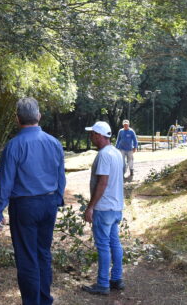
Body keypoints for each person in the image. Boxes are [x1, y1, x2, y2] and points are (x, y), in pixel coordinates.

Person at [0, 97, 66, 305]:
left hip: (24, 206)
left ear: (17, 119)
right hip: (49, 204)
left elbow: (4, 181)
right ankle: (45, 299)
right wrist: (56, 199)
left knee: (27, 258)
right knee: (43, 253)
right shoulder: (54, 143)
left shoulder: (14, 146)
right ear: (39, 116)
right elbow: (61, 177)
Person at [82, 121, 125, 296]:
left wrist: (90, 207)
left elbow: (103, 182)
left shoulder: (104, 155)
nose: (90, 137)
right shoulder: (116, 153)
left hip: (104, 207)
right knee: (115, 243)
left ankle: (102, 284)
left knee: (103, 246)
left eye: (92, 134)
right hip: (116, 207)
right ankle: (116, 279)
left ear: (99, 136)